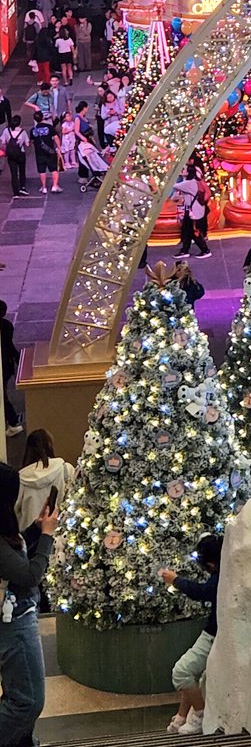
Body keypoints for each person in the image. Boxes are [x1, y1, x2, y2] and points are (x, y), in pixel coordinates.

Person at [0, 464, 58, 747]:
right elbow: (29, 575)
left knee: (19, 694)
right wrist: (47, 535)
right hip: (14, 624)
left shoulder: (5, 530)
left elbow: (16, 559)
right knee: (28, 701)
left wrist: (36, 532)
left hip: (18, 617)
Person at [160, 534, 223, 736]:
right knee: (192, 673)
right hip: (213, 631)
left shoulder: (221, 576)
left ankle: (201, 715)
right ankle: (182, 716)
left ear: (210, 564)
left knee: (181, 672)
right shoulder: (228, 568)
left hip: (214, 634)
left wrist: (175, 580)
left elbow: (202, 592)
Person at [15, 429, 74, 540]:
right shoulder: (65, 469)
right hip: (59, 535)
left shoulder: (20, 478)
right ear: (50, 446)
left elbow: (14, 511)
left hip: (29, 537)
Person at [173, 164, 212, 260]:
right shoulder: (192, 181)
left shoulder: (189, 183)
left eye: (184, 169)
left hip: (193, 211)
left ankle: (205, 250)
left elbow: (174, 185)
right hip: (192, 210)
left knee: (193, 231)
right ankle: (185, 250)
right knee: (187, 230)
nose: (182, 170)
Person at [1, 301, 23, 436]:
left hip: (3, 365)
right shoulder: (7, 326)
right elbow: (9, 345)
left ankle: (13, 421)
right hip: (7, 365)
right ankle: (13, 421)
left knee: (2, 396)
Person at [30, 110, 62, 194]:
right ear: (43, 117)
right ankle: (55, 186)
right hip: (50, 151)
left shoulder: (33, 130)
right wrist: (59, 148)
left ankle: (44, 187)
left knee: (42, 170)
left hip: (39, 153)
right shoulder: (49, 127)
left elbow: (32, 142)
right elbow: (56, 137)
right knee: (54, 169)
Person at [1, 117, 29, 197]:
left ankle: (15, 192)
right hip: (20, 153)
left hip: (11, 155)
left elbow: (3, 142)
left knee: (14, 173)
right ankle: (22, 187)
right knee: (22, 171)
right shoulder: (23, 132)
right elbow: (27, 144)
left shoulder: (6, 131)